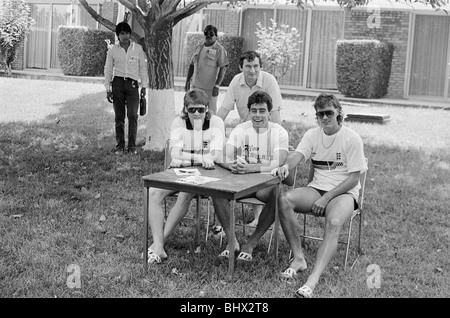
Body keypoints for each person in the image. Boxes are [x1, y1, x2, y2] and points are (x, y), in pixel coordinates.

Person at [272, 93, 367, 298]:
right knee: (285, 200)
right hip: (317, 188)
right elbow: (298, 154)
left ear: (338, 112)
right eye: (319, 114)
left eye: (328, 113)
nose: (324, 118)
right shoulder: (313, 134)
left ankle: (313, 279)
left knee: (333, 222)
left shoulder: (351, 138)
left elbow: (353, 180)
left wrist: (326, 198)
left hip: (344, 192)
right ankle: (298, 258)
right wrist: (287, 165)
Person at [146, 89, 225, 264]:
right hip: (181, 171)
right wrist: (198, 158)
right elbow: (174, 152)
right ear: (185, 110)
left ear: (207, 108)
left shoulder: (216, 122)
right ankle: (159, 246)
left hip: (207, 174)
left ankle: (158, 245)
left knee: (185, 193)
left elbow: (214, 155)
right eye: (191, 110)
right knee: (153, 192)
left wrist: (186, 158)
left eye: (200, 109)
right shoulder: (178, 122)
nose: (196, 114)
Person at [213, 91, 288, 261]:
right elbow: (224, 156)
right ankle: (232, 241)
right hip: (240, 181)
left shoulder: (279, 132)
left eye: (262, 111)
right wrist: (230, 164)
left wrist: (250, 168)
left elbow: (279, 161)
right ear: (248, 112)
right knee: (217, 191)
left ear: (270, 112)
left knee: (276, 195)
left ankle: (251, 243)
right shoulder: (241, 129)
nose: (258, 115)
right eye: (254, 110)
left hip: (264, 183)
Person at [217, 50, 284, 227]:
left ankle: (258, 218)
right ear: (241, 67)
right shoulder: (236, 81)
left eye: (255, 66)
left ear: (260, 67)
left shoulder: (269, 80)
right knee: (242, 164)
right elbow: (224, 109)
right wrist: (213, 129)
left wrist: (276, 136)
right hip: (245, 131)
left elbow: (274, 111)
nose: (252, 70)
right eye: (248, 66)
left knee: (258, 165)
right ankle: (231, 219)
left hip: (266, 130)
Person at [104, 21, 148, 155]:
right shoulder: (113, 50)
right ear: (118, 35)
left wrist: (144, 86)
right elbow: (108, 70)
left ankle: (132, 146)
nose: (125, 36)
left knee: (133, 115)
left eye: (127, 33)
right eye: (122, 33)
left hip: (133, 85)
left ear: (130, 34)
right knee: (119, 116)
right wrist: (108, 89)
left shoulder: (138, 49)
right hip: (117, 84)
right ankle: (120, 146)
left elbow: (143, 69)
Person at [185, 25, 229, 115]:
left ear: (216, 36)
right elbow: (192, 65)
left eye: (211, 34)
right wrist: (187, 81)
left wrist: (217, 86)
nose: (208, 35)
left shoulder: (220, 49)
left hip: (210, 88)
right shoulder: (199, 47)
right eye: (206, 33)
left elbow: (223, 68)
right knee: (194, 110)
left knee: (210, 113)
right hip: (195, 86)